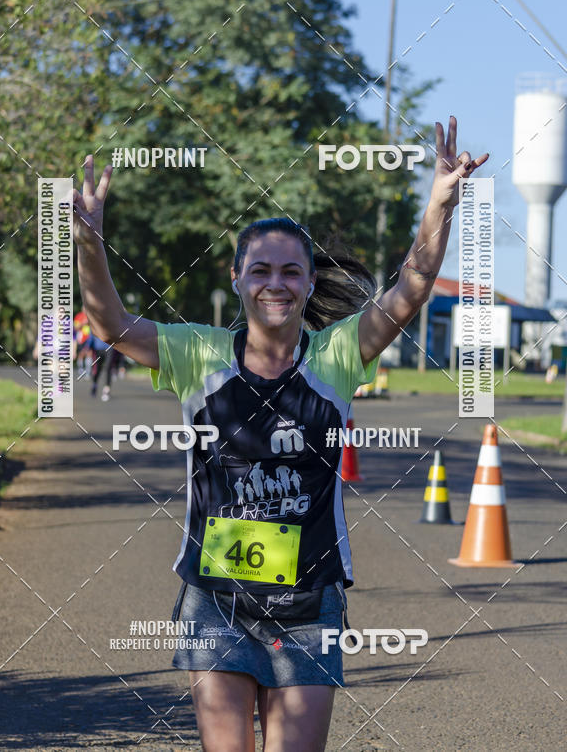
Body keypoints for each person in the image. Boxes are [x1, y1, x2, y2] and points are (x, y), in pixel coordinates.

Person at [72, 118, 488, 752]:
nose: (276, 283)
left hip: (308, 604)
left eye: (291, 272)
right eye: (260, 270)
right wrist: (88, 240)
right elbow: (110, 322)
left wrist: (438, 204)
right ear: (237, 279)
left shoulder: (338, 355)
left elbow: (411, 290)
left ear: (309, 283)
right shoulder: (197, 353)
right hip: (216, 599)